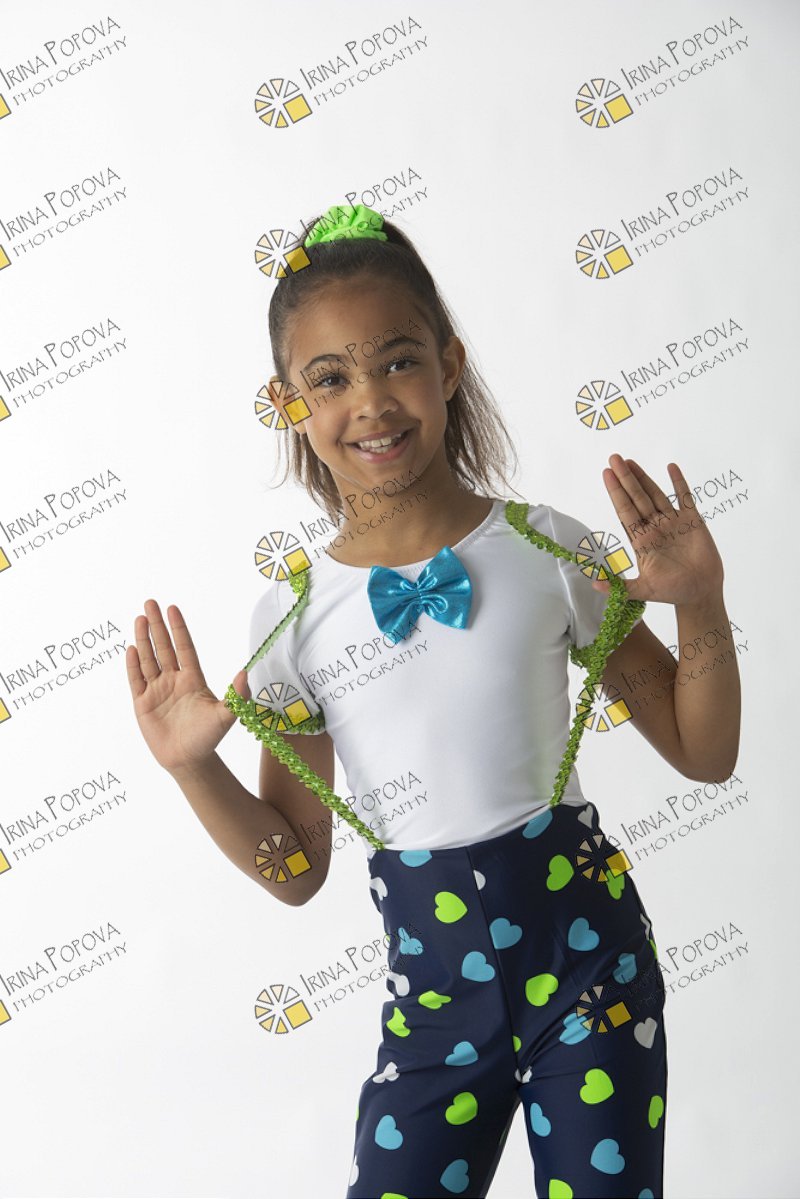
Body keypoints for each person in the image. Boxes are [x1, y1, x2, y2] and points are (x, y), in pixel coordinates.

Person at [127, 204, 740, 1199]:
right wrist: (191, 766)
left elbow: (703, 753)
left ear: (449, 365)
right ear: (288, 403)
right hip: (433, 1009)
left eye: (398, 361)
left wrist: (701, 604)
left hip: (591, 973)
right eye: (330, 377)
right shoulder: (292, 623)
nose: (370, 401)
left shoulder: (548, 549)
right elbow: (294, 868)